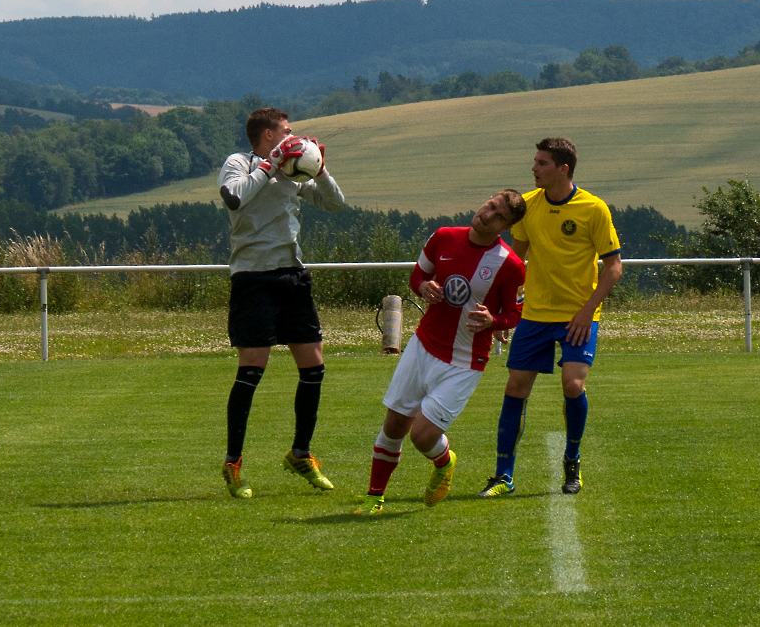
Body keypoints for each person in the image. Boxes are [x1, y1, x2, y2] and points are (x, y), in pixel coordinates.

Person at [354, 190, 527, 515]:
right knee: (393, 427)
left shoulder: (511, 266)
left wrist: (493, 320)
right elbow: (417, 275)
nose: (488, 215)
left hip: (464, 362)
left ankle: (444, 462)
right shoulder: (443, 237)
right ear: (485, 201)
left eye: (499, 216)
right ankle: (373, 498)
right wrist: (422, 287)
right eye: (490, 206)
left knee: (422, 435)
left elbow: (514, 314)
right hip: (422, 347)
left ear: (506, 227)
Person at [479, 137, 622, 498]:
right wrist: (501, 315)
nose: (534, 168)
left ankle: (572, 462)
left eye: (541, 163)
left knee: (573, 386)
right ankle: (503, 476)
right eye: (534, 161)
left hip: (578, 316)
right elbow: (514, 263)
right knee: (515, 387)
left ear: (563, 169)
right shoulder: (527, 206)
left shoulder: (594, 209)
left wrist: (587, 313)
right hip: (536, 314)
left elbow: (614, 268)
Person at [217, 107, 346, 499]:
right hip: (253, 279)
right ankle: (233, 462)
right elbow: (234, 198)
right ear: (269, 135)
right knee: (252, 369)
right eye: (288, 131)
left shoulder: (292, 171)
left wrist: (319, 169)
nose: (295, 136)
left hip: (292, 276)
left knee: (314, 366)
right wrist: (270, 165)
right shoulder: (239, 162)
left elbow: (336, 204)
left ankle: (300, 453)